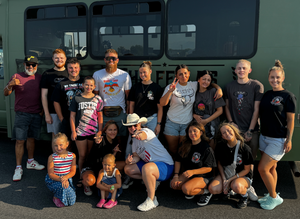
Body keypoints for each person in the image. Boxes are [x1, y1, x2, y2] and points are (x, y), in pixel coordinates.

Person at [160, 64, 222, 158]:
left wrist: (219, 89)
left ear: (189, 74)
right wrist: (170, 91)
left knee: (183, 151)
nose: (183, 76)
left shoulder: (193, 84)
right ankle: (172, 171)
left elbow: (206, 82)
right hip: (172, 122)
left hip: (187, 124)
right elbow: (162, 103)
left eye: (185, 73)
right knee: (172, 150)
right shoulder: (171, 86)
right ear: (176, 76)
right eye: (180, 74)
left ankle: (180, 171)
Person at [258, 60, 296, 210]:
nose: (275, 80)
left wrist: (289, 139)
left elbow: (291, 120)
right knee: (272, 168)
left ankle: (274, 198)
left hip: (278, 140)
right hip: (264, 137)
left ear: (283, 78)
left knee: (262, 169)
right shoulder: (267, 94)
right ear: (268, 78)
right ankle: (271, 193)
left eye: (277, 78)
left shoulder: (288, 96)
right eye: (272, 77)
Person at [224, 59, 263, 200]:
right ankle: (234, 183)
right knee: (233, 157)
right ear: (235, 70)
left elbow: (256, 110)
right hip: (234, 129)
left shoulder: (256, 86)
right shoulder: (229, 86)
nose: (241, 70)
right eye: (239, 68)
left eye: (244, 68)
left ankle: (249, 182)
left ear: (249, 70)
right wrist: (231, 123)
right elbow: (227, 107)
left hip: (250, 129)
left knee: (249, 158)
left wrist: (250, 130)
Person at [4, 55, 45, 181]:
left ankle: (30, 161)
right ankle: (18, 167)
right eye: (28, 65)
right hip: (22, 114)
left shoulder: (40, 78)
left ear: (37, 66)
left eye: (33, 65)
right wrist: (10, 85)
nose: (30, 67)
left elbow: (44, 95)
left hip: (36, 113)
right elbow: (6, 93)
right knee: (20, 141)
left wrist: (43, 111)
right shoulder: (17, 76)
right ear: (24, 65)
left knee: (31, 139)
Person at [123, 113, 174, 212]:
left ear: (140, 124)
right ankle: (153, 180)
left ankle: (152, 199)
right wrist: (129, 161)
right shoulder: (133, 141)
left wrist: (138, 134)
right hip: (152, 166)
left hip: (166, 166)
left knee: (147, 168)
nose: (132, 128)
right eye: (130, 126)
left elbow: (142, 136)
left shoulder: (146, 131)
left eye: (135, 125)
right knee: (128, 169)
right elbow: (137, 157)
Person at [209, 123, 254, 209]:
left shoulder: (244, 148)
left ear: (234, 131)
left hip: (242, 175)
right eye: (224, 132)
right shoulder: (220, 146)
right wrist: (224, 180)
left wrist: (229, 180)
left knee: (236, 186)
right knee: (213, 189)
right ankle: (228, 188)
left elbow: (246, 170)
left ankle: (244, 195)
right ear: (222, 136)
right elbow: (219, 164)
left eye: (229, 130)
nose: (227, 133)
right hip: (227, 173)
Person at [125, 61, 163, 164]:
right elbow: (131, 105)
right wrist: (131, 123)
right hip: (137, 121)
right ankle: (129, 173)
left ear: (150, 71)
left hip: (152, 119)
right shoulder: (135, 87)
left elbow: (160, 108)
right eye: (140, 73)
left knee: (149, 146)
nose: (142, 75)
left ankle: (148, 171)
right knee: (131, 146)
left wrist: (159, 124)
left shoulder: (157, 88)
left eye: (144, 72)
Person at [171, 121, 216, 206]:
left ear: (201, 132)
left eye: (195, 131)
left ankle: (206, 192)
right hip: (189, 174)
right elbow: (178, 160)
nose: (192, 133)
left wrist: (193, 172)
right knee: (174, 185)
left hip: (203, 176)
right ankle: (192, 188)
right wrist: (176, 175)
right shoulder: (184, 144)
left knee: (186, 189)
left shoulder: (206, 148)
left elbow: (209, 168)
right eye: (190, 131)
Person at [69, 76, 103, 186]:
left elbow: (100, 116)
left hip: (93, 132)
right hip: (80, 132)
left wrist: (100, 131)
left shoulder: (98, 98)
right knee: (82, 155)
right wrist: (73, 131)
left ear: (94, 86)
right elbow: (72, 116)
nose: (89, 87)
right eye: (86, 84)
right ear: (83, 85)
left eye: (91, 85)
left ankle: (89, 175)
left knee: (90, 155)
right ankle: (80, 176)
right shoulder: (76, 98)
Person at [93, 49, 132, 142]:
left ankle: (119, 156)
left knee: (120, 139)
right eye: (108, 58)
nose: (111, 60)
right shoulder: (97, 74)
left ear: (117, 60)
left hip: (120, 111)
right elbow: (95, 96)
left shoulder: (124, 75)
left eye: (113, 58)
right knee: (104, 138)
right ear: (104, 60)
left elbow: (129, 96)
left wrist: (128, 113)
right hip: (104, 112)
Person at [81, 120, 124, 196]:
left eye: (115, 130)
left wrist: (114, 152)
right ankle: (86, 185)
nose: (112, 132)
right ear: (105, 131)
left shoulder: (114, 142)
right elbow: (97, 142)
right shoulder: (101, 139)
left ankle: (120, 179)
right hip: (92, 168)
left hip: (104, 167)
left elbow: (110, 160)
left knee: (124, 164)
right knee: (89, 180)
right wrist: (97, 141)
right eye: (110, 130)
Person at [41, 49, 68, 152]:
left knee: (68, 137)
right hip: (53, 112)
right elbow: (44, 95)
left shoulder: (69, 72)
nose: (59, 60)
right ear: (53, 59)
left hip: (68, 111)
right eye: (56, 58)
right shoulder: (47, 74)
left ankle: (67, 161)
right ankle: (56, 161)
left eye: (61, 58)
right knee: (55, 137)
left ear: (65, 59)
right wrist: (47, 114)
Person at [193, 70, 225, 149]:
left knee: (210, 150)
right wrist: (194, 115)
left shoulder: (213, 92)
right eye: (204, 79)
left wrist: (206, 121)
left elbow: (220, 111)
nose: (206, 82)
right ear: (198, 79)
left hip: (212, 127)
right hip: (197, 126)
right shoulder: (193, 91)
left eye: (208, 80)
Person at [52, 58, 84, 138]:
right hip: (67, 119)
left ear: (79, 68)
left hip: (84, 119)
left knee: (82, 145)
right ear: (67, 69)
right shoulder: (61, 84)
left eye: (76, 67)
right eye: (70, 68)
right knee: (68, 144)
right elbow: (56, 101)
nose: (73, 70)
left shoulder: (85, 82)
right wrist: (61, 118)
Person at [45, 133, 76, 207]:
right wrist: (61, 179)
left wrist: (66, 177)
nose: (58, 148)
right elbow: (51, 174)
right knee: (62, 187)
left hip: (66, 178)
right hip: (54, 179)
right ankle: (56, 197)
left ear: (67, 144)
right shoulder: (52, 157)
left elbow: (73, 171)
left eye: (61, 145)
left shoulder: (72, 156)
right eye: (56, 145)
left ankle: (64, 193)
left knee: (71, 202)